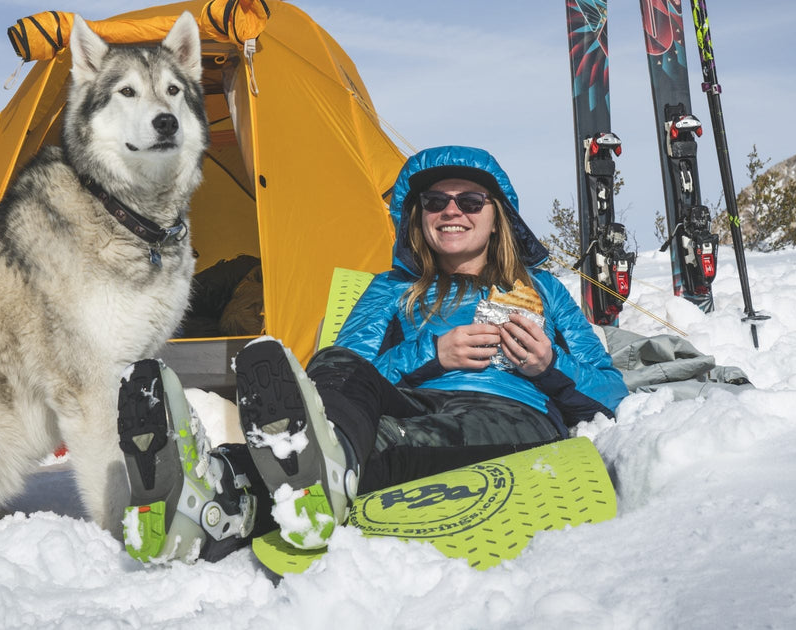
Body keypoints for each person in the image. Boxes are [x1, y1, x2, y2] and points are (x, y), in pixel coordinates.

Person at [116, 145, 628, 563]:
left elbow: (611, 392)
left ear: (498, 218)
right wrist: (431, 353)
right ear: (417, 216)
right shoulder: (391, 289)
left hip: (507, 413)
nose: (452, 211)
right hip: (411, 404)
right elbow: (342, 373)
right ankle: (245, 484)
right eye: (435, 201)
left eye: (471, 201)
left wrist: (549, 366)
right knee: (340, 378)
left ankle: (224, 491)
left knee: (385, 444)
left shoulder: (544, 290)